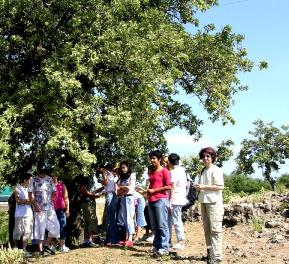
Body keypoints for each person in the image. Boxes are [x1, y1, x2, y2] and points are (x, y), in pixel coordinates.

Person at [193, 147, 224, 264]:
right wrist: (197, 187)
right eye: (204, 156)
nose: (205, 158)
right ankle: (210, 254)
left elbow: (220, 186)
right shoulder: (203, 171)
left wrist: (203, 187)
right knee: (207, 229)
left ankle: (217, 256)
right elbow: (201, 185)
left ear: (212, 158)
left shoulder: (216, 170)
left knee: (215, 229)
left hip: (214, 203)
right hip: (204, 201)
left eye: (208, 156)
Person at [28, 165, 60, 255]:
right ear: (37, 171)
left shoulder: (49, 179)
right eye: (41, 172)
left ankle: (46, 244)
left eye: (44, 172)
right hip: (39, 208)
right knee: (40, 228)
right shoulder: (33, 180)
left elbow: (54, 192)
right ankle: (41, 250)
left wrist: (52, 197)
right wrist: (35, 205)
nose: (42, 174)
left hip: (49, 206)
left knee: (56, 226)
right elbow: (30, 194)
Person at [147, 150, 171, 256]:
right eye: (151, 158)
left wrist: (154, 191)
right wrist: (147, 191)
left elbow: (169, 186)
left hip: (161, 200)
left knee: (162, 225)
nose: (152, 160)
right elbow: (152, 186)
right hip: (151, 200)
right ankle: (156, 246)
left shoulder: (164, 171)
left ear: (159, 159)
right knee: (154, 226)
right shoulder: (151, 172)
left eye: (154, 158)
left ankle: (164, 248)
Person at [167, 153, 187, 250]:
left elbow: (173, 187)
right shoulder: (182, 170)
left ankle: (181, 241)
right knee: (171, 220)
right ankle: (168, 240)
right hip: (180, 198)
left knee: (176, 220)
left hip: (175, 199)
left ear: (170, 162)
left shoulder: (174, 171)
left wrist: (170, 201)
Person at [13, 173, 33, 257]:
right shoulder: (18, 188)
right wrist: (27, 200)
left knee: (27, 232)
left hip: (28, 214)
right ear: (25, 180)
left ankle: (24, 250)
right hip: (19, 214)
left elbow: (32, 201)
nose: (31, 182)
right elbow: (18, 201)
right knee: (18, 232)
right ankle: (15, 249)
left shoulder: (30, 189)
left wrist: (24, 200)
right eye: (30, 180)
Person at [117, 161, 136, 247]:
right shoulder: (121, 177)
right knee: (125, 218)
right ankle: (127, 238)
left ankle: (130, 238)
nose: (123, 169)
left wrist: (121, 187)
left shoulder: (132, 175)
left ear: (128, 167)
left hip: (129, 197)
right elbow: (118, 190)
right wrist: (122, 188)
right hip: (122, 198)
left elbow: (130, 188)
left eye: (124, 167)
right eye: (122, 168)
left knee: (129, 218)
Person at [79, 175, 101, 248]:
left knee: (87, 222)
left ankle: (86, 241)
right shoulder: (87, 177)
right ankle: (89, 240)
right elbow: (83, 189)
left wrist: (100, 189)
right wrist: (93, 195)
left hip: (86, 201)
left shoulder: (88, 177)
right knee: (92, 220)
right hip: (88, 202)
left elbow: (87, 190)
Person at [100, 163, 119, 246]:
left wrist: (103, 174)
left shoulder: (108, 174)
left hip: (110, 195)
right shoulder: (113, 175)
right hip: (112, 195)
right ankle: (110, 238)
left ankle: (112, 239)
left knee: (110, 218)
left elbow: (106, 183)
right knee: (110, 217)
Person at [51, 173, 70, 252]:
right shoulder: (48, 186)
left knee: (62, 226)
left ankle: (62, 246)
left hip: (61, 209)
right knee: (51, 228)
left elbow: (66, 198)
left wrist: (67, 209)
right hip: (51, 210)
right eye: (51, 176)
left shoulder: (62, 185)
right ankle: (52, 245)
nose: (53, 177)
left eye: (54, 175)